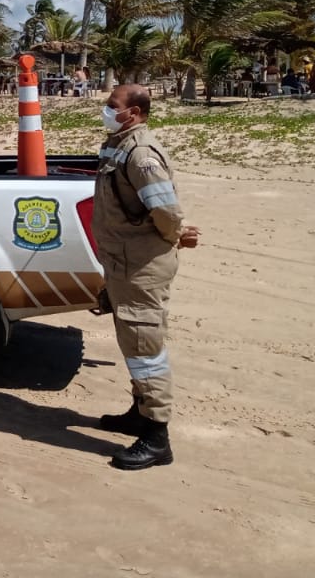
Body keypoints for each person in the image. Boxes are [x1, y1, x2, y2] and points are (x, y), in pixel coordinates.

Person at [93, 84, 200, 470]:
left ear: (134, 112)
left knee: (145, 347)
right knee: (134, 344)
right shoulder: (117, 144)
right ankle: (141, 410)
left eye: (112, 106)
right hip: (124, 263)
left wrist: (176, 235)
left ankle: (156, 437)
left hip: (141, 267)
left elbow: (166, 210)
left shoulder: (140, 154)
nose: (106, 110)